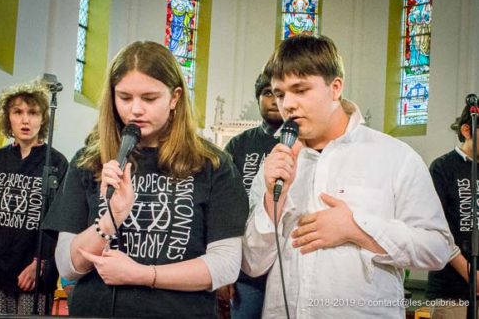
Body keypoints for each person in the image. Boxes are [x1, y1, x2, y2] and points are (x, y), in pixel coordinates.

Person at [241, 34, 455, 318]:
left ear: (335, 88)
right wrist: (271, 199)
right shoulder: (276, 163)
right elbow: (253, 263)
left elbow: (437, 248)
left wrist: (356, 229)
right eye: (279, 94)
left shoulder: (395, 156)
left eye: (300, 90)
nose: (287, 104)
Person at [42, 41, 249, 318]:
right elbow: (68, 266)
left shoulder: (213, 164)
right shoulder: (89, 160)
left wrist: (142, 274)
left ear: (175, 97)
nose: (135, 110)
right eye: (125, 98)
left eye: (149, 98)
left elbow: (225, 265)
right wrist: (110, 219)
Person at [0, 80, 68, 315]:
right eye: (17, 112)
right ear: (7, 117)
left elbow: (57, 221)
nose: (25, 120)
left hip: (35, 273)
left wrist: (39, 263)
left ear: (43, 119)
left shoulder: (56, 163)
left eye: (33, 112)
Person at [217, 68, 283, 319]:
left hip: (285, 263)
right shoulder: (238, 144)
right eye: (268, 93)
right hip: (245, 266)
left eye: (280, 94)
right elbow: (224, 208)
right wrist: (225, 269)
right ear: (258, 98)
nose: (275, 100)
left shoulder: (301, 142)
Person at [426, 104, 479, 318]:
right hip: (450, 291)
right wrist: (471, 275)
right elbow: (436, 229)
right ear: (467, 131)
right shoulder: (442, 167)